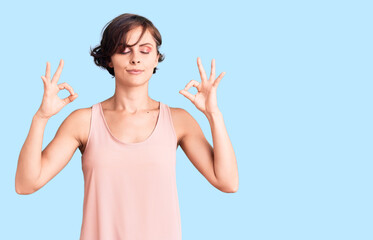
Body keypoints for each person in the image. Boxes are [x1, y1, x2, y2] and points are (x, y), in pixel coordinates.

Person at [15, 13, 238, 240]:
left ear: (156, 58)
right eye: (124, 49)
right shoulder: (83, 121)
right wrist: (41, 118)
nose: (135, 59)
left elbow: (227, 182)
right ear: (109, 59)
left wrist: (214, 115)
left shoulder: (178, 120)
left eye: (145, 50)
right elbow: (26, 184)